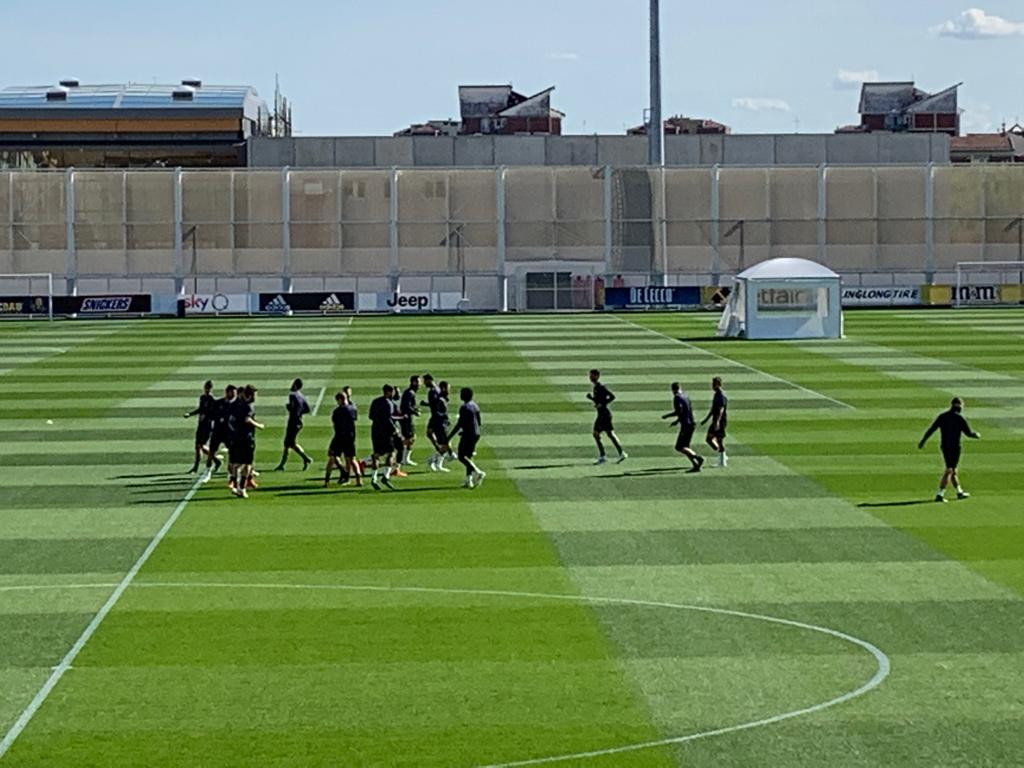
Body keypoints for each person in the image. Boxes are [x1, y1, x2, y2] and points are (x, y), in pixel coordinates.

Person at [918, 397, 981, 502]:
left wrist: (923, 441)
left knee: (953, 470)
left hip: (945, 446)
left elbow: (932, 429)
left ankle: (959, 492)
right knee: (949, 470)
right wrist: (976, 435)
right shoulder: (959, 418)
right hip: (955, 447)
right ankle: (940, 494)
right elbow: (968, 433)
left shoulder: (943, 416)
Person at [228, 385, 264, 498]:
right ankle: (242, 488)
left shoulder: (238, 405)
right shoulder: (248, 407)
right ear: (250, 395)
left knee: (237, 463)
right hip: (247, 438)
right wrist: (259, 425)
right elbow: (247, 419)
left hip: (237, 437)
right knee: (248, 464)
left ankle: (235, 485)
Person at [447, 386, 485, 489]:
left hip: (468, 434)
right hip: (476, 433)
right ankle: (469, 481)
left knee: (461, 456)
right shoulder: (475, 406)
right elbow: (479, 422)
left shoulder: (464, 407)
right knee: (468, 456)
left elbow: (460, 424)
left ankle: (478, 472)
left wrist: (449, 437)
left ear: (464, 396)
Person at [587, 369, 626, 464]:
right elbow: (599, 400)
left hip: (603, 415)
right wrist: (592, 398)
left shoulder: (600, 387)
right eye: (590, 376)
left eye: (592, 375)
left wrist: (603, 404)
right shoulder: (596, 387)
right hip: (603, 414)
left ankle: (603, 456)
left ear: (597, 376)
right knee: (609, 434)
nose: (590, 377)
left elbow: (612, 396)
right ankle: (621, 453)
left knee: (596, 434)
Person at [662, 382, 704, 472]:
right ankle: (696, 466)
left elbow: (679, 411)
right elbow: (685, 411)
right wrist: (677, 421)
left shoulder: (677, 398)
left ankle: (697, 457)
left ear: (673, 389)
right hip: (691, 423)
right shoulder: (686, 395)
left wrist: (667, 416)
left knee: (679, 447)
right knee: (686, 447)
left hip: (686, 425)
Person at [274, 378, 312, 471]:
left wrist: (289, 408)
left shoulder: (292, 395)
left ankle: (305, 458)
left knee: (289, 443)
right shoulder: (301, 396)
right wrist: (299, 413)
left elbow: (292, 407)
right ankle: (283, 464)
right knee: (289, 443)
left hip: (293, 422)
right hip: (299, 421)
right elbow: (307, 409)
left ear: (295, 385)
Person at [325, 390, 361, 487]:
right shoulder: (353, 409)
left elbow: (335, 423)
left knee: (332, 457)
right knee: (352, 459)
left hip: (339, 437)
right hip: (350, 437)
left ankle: (327, 481)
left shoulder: (337, 411)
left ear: (340, 400)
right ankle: (359, 480)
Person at [183, 380, 217, 475]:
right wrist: (190, 414)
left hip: (207, 426)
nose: (206, 389)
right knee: (197, 447)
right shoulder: (203, 398)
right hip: (201, 425)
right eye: (206, 387)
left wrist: (206, 417)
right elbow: (200, 409)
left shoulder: (211, 399)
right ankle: (196, 467)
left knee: (201, 446)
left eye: (208, 388)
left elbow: (213, 413)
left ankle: (214, 460)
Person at [368, 384, 398, 490]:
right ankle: (386, 476)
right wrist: (394, 429)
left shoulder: (375, 401)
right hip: (386, 432)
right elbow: (388, 419)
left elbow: (371, 416)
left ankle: (374, 478)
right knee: (391, 453)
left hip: (375, 431)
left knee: (376, 454)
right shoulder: (388, 403)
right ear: (388, 392)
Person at [203, 384, 234, 483]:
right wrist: (219, 418)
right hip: (217, 432)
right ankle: (208, 472)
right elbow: (211, 414)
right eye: (232, 393)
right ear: (227, 393)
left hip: (229, 432)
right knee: (211, 452)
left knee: (232, 453)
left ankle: (230, 474)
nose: (234, 395)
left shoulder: (235, 405)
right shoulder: (218, 403)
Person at [423, 375, 454, 472]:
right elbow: (436, 406)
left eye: (425, 381)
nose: (424, 383)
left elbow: (435, 405)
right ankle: (434, 460)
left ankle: (440, 462)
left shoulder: (434, 391)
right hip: (439, 420)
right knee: (445, 443)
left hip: (438, 420)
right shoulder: (436, 391)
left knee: (444, 442)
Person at [701, 376, 729, 467]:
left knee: (719, 440)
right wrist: (706, 419)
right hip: (715, 420)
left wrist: (717, 422)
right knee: (709, 439)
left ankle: (722, 461)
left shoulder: (721, 395)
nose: (712, 386)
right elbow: (713, 409)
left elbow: (721, 409)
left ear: (718, 384)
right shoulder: (716, 394)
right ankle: (722, 454)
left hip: (720, 421)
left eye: (714, 384)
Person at [400, 375, 421, 466]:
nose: (420, 384)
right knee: (410, 438)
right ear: (414, 382)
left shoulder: (410, 392)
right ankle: (402, 457)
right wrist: (415, 412)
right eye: (419, 382)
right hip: (407, 419)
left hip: (407, 418)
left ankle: (405, 458)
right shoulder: (410, 393)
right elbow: (406, 406)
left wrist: (415, 409)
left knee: (410, 438)